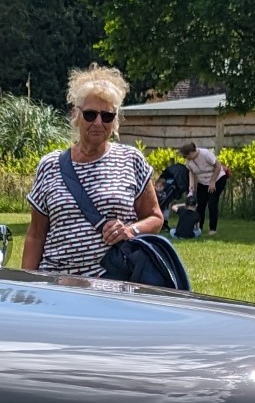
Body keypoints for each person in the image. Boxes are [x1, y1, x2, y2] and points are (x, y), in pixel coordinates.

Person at [22, 66, 163, 274]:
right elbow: (36, 234)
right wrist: (25, 284)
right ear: (76, 115)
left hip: (113, 284)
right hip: (56, 286)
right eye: (90, 115)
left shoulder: (131, 160)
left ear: (115, 121)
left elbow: (155, 217)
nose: (98, 122)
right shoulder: (49, 165)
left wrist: (130, 230)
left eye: (107, 116)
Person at [185, 140, 226, 235]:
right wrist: (191, 186)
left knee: (212, 203)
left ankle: (212, 229)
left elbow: (218, 166)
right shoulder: (189, 160)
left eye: (186, 156)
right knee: (200, 204)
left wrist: (212, 182)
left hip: (217, 179)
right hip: (203, 182)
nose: (185, 158)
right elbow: (191, 171)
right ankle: (199, 228)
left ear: (191, 153)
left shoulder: (205, 154)